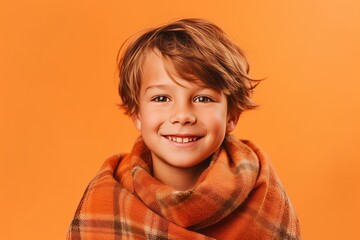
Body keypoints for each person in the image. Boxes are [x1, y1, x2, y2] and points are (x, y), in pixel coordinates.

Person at [67, 18, 300, 239]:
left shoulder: (264, 196)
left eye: (203, 99)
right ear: (137, 114)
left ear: (231, 115)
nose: (182, 116)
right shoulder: (106, 199)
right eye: (161, 98)